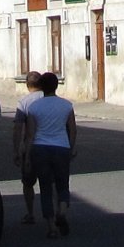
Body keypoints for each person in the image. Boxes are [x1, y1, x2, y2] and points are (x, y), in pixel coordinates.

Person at [24, 71, 79, 237]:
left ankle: (51, 227)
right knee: (62, 183)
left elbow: (31, 134)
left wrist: (27, 156)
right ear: (56, 86)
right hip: (61, 147)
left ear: (41, 87)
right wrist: (72, 146)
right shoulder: (67, 105)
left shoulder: (34, 107)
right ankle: (61, 211)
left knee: (45, 186)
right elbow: (73, 129)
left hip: (40, 148)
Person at [10, 73, 40, 223]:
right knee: (51, 182)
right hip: (49, 147)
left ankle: (30, 213)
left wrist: (16, 150)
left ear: (27, 85)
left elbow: (17, 127)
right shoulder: (49, 99)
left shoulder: (24, 102)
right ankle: (54, 212)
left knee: (28, 183)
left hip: (30, 148)